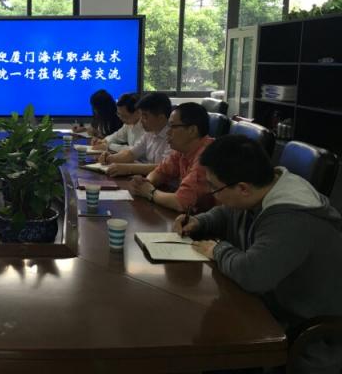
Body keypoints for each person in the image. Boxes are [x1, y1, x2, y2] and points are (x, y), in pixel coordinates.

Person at [174, 135, 342, 374]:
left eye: (214, 187)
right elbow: (228, 212)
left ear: (242, 188)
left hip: (306, 333)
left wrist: (218, 249)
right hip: (269, 304)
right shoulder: (262, 189)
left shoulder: (292, 218)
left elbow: (253, 275)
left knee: (202, 342)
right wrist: (200, 222)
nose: (211, 193)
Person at [127, 102, 214, 212]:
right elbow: (160, 171)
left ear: (192, 130)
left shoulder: (208, 155)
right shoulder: (182, 149)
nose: (168, 132)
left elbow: (181, 202)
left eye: (173, 126)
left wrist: (150, 192)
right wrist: (146, 183)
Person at [99, 92, 172, 177]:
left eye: (145, 116)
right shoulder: (149, 133)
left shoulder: (173, 137)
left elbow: (163, 168)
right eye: (141, 115)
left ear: (161, 118)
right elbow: (131, 154)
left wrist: (127, 168)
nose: (141, 120)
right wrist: (110, 158)